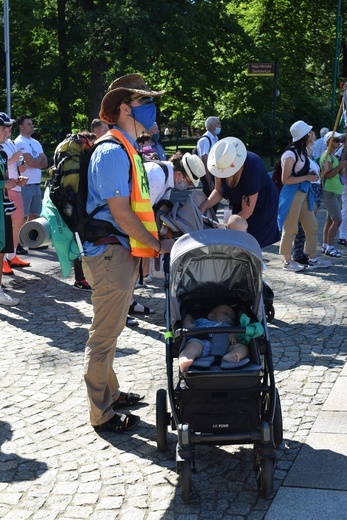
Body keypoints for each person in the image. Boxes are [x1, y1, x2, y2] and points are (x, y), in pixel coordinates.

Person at [81, 73, 174, 433]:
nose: (152, 109)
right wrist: (156, 245)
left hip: (118, 253)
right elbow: (121, 213)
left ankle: (112, 393)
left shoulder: (126, 148)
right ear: (123, 108)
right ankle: (101, 414)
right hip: (109, 255)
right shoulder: (111, 150)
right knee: (103, 336)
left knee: (113, 328)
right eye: (144, 102)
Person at [200, 137, 280, 249]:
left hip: (261, 206)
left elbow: (247, 211)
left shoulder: (252, 167)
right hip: (239, 203)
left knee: (252, 242)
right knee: (236, 241)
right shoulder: (221, 161)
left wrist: (227, 227)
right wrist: (204, 206)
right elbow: (219, 191)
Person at [277, 120, 331, 271]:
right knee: (291, 228)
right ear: (303, 136)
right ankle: (287, 262)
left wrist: (310, 175)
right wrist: (307, 177)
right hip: (292, 194)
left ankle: (313, 259)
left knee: (312, 226)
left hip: (304, 193)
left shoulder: (303, 152)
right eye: (308, 134)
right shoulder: (290, 153)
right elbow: (285, 179)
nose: (311, 136)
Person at [0, 117, 28, 305]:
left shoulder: (2, 152)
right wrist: (4, 183)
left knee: (1, 250)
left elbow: (6, 178)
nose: (8, 131)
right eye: (4, 128)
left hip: (2, 208)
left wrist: (15, 182)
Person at [178, 304, 249, 372]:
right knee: (192, 346)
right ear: (211, 316)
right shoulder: (202, 321)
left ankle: (233, 355)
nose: (229, 316)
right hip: (203, 343)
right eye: (225, 313)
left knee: (243, 347)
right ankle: (186, 358)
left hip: (225, 346)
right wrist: (187, 319)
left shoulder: (230, 327)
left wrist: (233, 334)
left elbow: (238, 334)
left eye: (232, 318)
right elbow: (189, 327)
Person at [292, 129, 322, 265]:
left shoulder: (308, 153)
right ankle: (298, 254)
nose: (315, 141)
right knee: (303, 224)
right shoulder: (301, 154)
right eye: (313, 138)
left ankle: (303, 253)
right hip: (307, 190)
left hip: (313, 188)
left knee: (308, 226)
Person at [14, 115, 48, 222]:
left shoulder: (36, 142)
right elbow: (31, 162)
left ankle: (30, 238)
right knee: (23, 217)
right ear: (21, 127)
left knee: (35, 216)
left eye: (32, 124)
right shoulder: (19, 142)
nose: (32, 126)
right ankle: (20, 238)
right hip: (25, 185)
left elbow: (45, 162)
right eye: (28, 124)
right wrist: (37, 160)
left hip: (37, 185)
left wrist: (34, 162)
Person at [320, 130, 346, 258]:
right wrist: (341, 165)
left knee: (330, 221)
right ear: (328, 142)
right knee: (337, 220)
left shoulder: (333, 155)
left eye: (339, 140)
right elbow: (328, 175)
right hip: (329, 192)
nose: (338, 142)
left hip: (335, 192)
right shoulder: (326, 156)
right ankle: (330, 246)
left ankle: (325, 245)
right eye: (335, 140)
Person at [196, 116, 221, 200]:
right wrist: (209, 181)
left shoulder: (215, 138)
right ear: (211, 126)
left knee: (215, 201)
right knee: (208, 201)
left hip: (214, 174)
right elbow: (204, 160)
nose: (220, 126)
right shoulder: (205, 140)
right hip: (208, 175)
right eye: (218, 123)